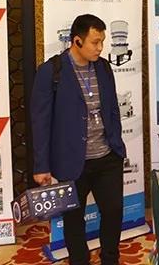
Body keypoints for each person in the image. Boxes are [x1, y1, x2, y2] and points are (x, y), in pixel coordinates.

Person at [31, 14, 126, 265]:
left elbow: (112, 108)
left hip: (107, 157)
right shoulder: (51, 71)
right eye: (95, 42)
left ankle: (110, 259)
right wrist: (41, 166)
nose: (100, 47)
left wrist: (117, 145)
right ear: (77, 41)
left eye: (102, 41)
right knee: (74, 218)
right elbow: (40, 122)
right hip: (71, 160)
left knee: (114, 212)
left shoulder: (103, 67)